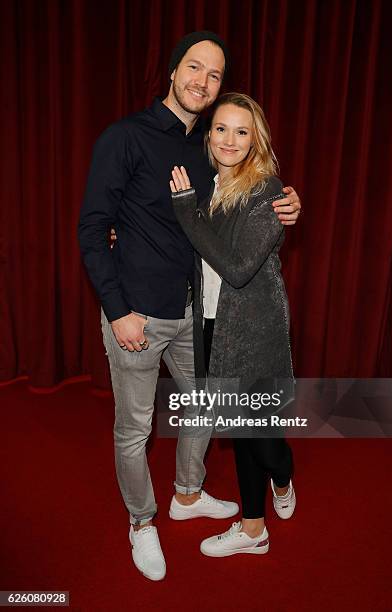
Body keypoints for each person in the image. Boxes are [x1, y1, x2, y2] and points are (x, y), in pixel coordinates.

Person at [78, 32, 301, 581]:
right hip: (137, 314)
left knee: (203, 411)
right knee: (134, 427)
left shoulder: (206, 147)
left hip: (197, 315)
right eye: (195, 68)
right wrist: (116, 308)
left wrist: (284, 202)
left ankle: (186, 493)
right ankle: (141, 522)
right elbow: (92, 228)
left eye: (216, 74)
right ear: (174, 71)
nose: (203, 81)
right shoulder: (124, 137)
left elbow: (238, 201)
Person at [170, 92, 296, 557]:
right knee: (240, 431)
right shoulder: (205, 184)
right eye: (221, 128)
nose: (229, 139)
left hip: (254, 329)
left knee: (259, 436)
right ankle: (252, 529)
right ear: (209, 134)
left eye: (242, 131)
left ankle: (283, 474)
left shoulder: (267, 191)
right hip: (208, 325)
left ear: (255, 139)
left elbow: (239, 268)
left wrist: (186, 212)